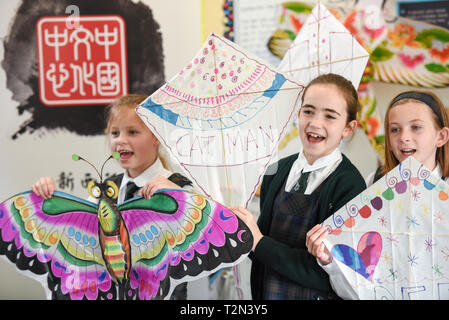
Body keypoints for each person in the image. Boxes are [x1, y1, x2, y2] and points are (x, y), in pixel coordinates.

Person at [31, 94, 193, 300]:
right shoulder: (104, 191)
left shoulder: (179, 187)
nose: (120, 141)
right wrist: (49, 203)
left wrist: (179, 198)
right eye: (114, 133)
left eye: (133, 132)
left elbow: (197, 237)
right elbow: (79, 242)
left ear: (156, 136)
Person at [231, 73, 366, 300]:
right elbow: (259, 249)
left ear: (349, 128)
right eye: (308, 111)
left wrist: (258, 242)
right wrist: (239, 231)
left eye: (330, 116)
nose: (315, 122)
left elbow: (325, 275)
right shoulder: (277, 171)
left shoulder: (349, 185)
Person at [306, 90, 449, 299]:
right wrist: (328, 259)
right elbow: (356, 280)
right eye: (395, 129)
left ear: (441, 136)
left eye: (416, 127)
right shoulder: (374, 185)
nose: (404, 137)